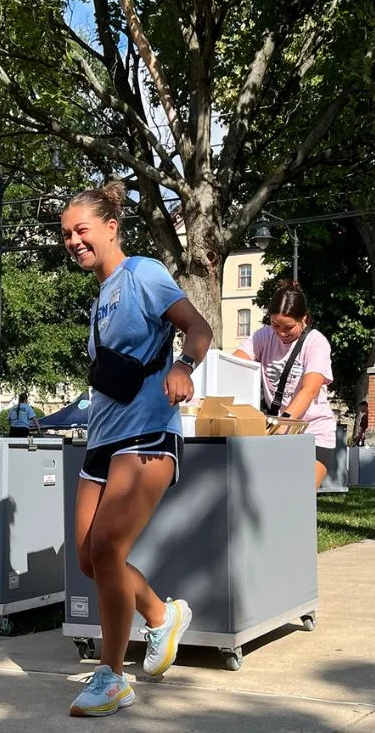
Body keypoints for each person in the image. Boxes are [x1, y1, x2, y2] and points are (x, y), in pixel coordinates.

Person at [62, 181, 213, 718]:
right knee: (91, 560)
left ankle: (112, 676)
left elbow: (198, 327)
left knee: (107, 548)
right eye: (66, 234)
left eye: (81, 230)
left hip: (147, 433)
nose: (73, 242)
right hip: (101, 440)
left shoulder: (143, 273)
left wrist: (184, 366)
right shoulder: (100, 297)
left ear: (110, 227)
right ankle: (160, 615)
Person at [233, 280, 337, 490]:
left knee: (300, 494)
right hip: (275, 431)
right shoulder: (264, 335)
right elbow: (234, 365)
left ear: (304, 318)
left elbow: (309, 390)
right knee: (270, 495)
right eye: (275, 325)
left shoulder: (316, 343)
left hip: (313, 431)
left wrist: (282, 424)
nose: (281, 333)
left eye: (288, 327)